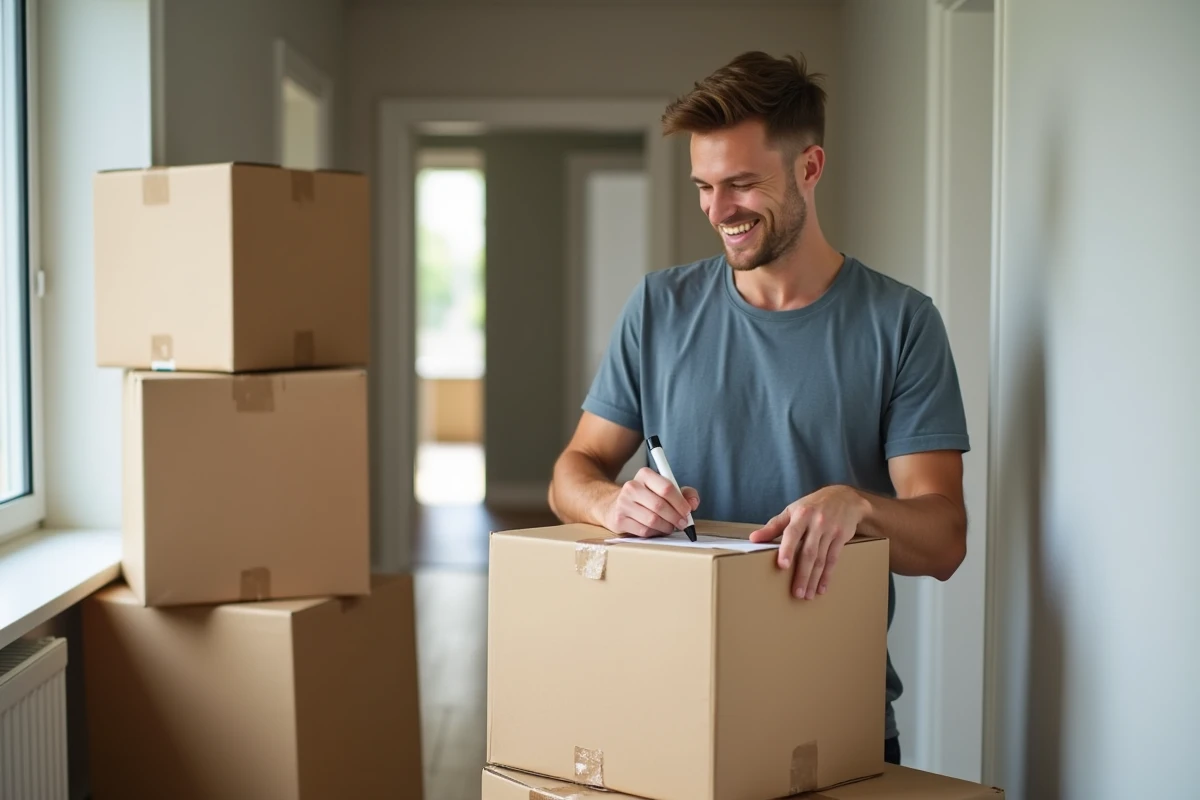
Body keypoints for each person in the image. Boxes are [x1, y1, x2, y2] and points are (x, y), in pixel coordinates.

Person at [546, 51, 970, 766]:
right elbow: (571, 472)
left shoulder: (902, 324)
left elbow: (944, 540)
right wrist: (610, 503)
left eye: (742, 184)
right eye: (704, 187)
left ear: (810, 167)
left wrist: (857, 507)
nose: (718, 212)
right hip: (661, 703)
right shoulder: (658, 308)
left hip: (831, 717)